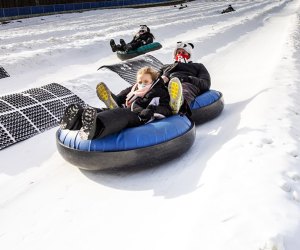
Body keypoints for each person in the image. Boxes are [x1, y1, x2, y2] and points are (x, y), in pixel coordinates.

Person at [59, 67, 173, 140]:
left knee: (120, 114)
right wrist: (114, 99)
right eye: (140, 81)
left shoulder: (159, 91)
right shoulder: (134, 89)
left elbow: (167, 109)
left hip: (140, 117)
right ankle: (75, 120)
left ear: (152, 81)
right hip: (127, 110)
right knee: (105, 111)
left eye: (146, 81)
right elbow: (120, 97)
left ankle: (95, 129)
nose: (142, 84)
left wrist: (152, 110)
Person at [159, 42, 211, 114]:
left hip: (187, 84)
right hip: (168, 85)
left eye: (184, 52)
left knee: (183, 88)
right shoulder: (166, 67)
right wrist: (165, 76)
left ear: (189, 55)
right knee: (157, 91)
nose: (180, 54)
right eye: (178, 52)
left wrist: (188, 79)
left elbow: (205, 84)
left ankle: (179, 105)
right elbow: (153, 79)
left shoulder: (198, 66)